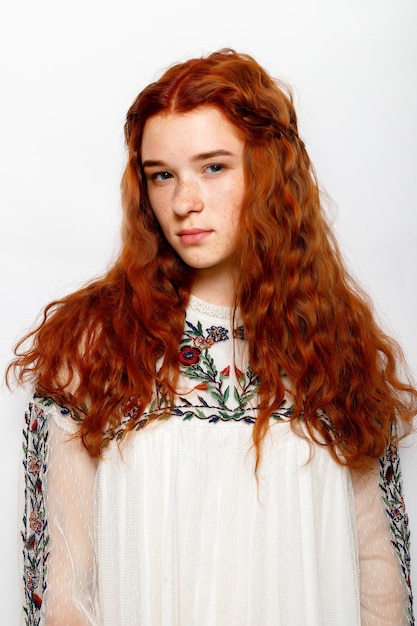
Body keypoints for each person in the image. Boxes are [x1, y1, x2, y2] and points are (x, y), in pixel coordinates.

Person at [7, 48, 417, 626]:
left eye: (214, 167)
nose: (184, 202)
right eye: (163, 175)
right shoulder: (93, 348)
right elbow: (61, 595)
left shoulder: (331, 344)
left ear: (268, 171)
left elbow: (381, 584)